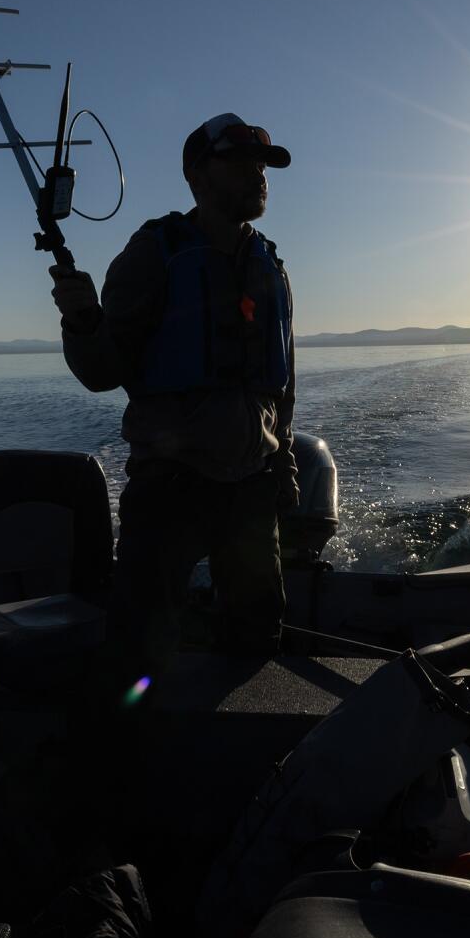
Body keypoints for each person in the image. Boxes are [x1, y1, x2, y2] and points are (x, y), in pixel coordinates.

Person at [51, 113, 297, 664]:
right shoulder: (155, 254)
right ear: (197, 176)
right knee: (141, 646)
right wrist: (83, 320)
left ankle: (241, 748)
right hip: (170, 491)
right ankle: (134, 743)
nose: (258, 175)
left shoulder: (270, 265)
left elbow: (282, 385)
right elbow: (101, 372)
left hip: (252, 486)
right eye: (239, 163)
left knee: (257, 640)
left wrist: (284, 467)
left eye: (261, 165)